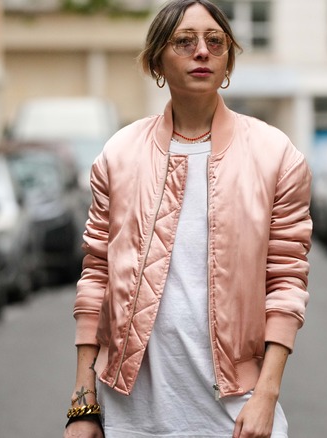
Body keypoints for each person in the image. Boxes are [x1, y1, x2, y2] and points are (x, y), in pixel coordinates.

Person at [64, 1, 312, 437]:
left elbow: (287, 282)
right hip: (131, 412)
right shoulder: (119, 155)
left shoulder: (276, 156)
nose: (202, 52)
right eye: (185, 41)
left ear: (228, 58)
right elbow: (96, 276)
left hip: (235, 409)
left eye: (215, 41)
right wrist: (84, 404)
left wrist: (266, 397)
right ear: (158, 58)